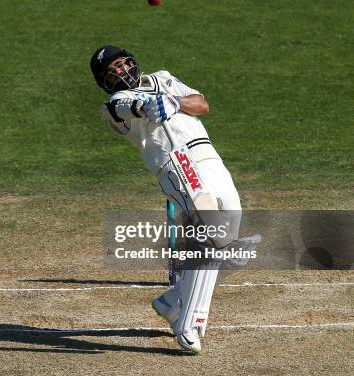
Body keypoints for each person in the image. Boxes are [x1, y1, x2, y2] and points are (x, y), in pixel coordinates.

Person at [90, 45, 243, 353]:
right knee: (208, 232)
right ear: (106, 82)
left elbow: (201, 104)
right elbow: (126, 109)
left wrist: (173, 101)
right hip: (174, 162)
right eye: (112, 70)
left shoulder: (163, 79)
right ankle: (190, 323)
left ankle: (173, 301)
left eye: (122, 64)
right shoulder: (113, 104)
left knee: (231, 239)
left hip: (208, 156)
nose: (120, 71)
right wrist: (147, 105)